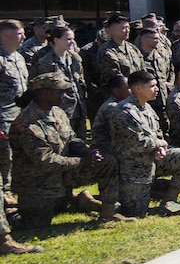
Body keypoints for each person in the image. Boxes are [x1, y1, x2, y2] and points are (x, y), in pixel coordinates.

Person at [9, 72, 130, 227]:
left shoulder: (58, 112)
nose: (65, 96)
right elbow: (46, 161)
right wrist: (82, 161)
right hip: (39, 182)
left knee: (107, 162)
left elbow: (71, 140)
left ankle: (108, 213)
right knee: (34, 224)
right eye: (60, 91)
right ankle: (9, 213)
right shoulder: (27, 124)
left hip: (63, 173)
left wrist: (87, 152)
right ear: (45, 92)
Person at [109, 70, 180, 217]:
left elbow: (157, 132)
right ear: (138, 88)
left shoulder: (147, 107)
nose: (157, 89)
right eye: (152, 86)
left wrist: (160, 148)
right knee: (136, 212)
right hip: (135, 168)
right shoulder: (124, 111)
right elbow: (136, 143)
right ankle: (96, 203)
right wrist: (159, 143)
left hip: (154, 159)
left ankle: (169, 200)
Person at [30, 23, 87, 138]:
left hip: (78, 109)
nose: (72, 42)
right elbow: (41, 91)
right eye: (68, 39)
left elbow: (80, 82)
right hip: (60, 111)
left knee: (80, 143)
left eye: (73, 39)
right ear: (56, 40)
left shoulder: (75, 59)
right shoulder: (46, 63)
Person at [1, 19, 29, 207]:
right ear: (6, 35)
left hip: (20, 114)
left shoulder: (18, 57)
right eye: (20, 33)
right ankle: (4, 190)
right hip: (3, 115)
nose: (24, 37)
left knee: (21, 152)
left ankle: (18, 187)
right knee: (5, 154)